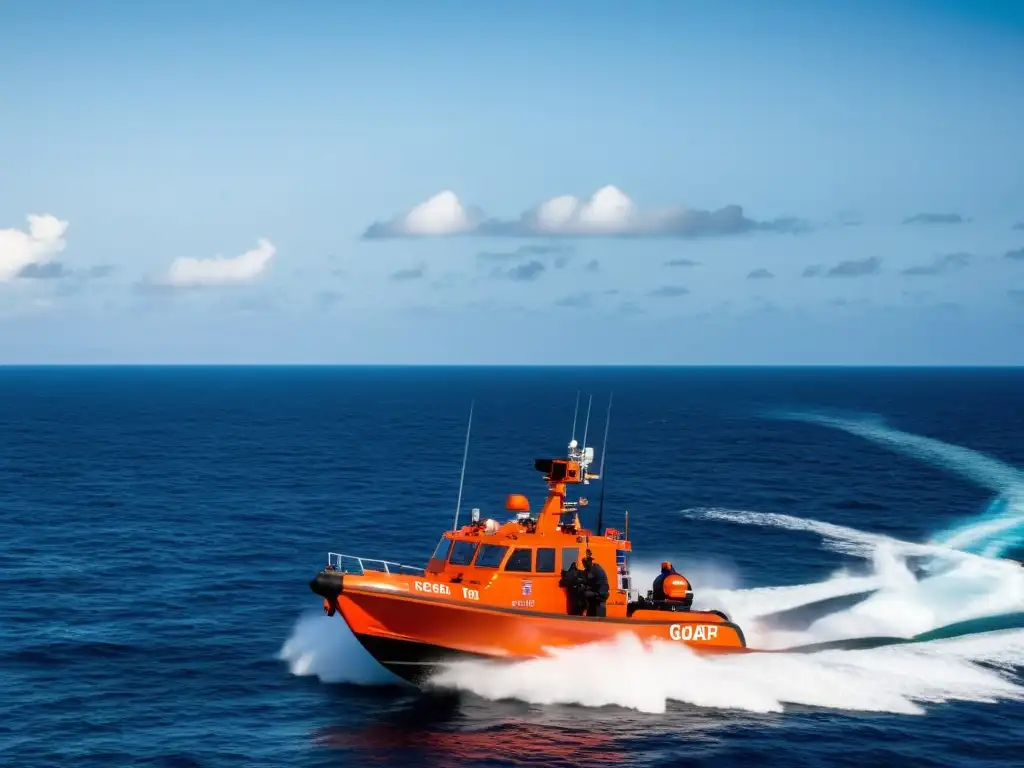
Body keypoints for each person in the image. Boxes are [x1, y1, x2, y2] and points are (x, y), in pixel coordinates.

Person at [579, 550, 610, 617]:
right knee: (584, 592)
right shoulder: (591, 569)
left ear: (589, 562)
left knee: (584, 594)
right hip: (598, 592)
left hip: (600, 594)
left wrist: (597, 593)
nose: (584, 564)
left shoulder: (596, 570)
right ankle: (589, 613)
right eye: (583, 563)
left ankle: (585, 612)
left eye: (585, 563)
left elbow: (588, 580)